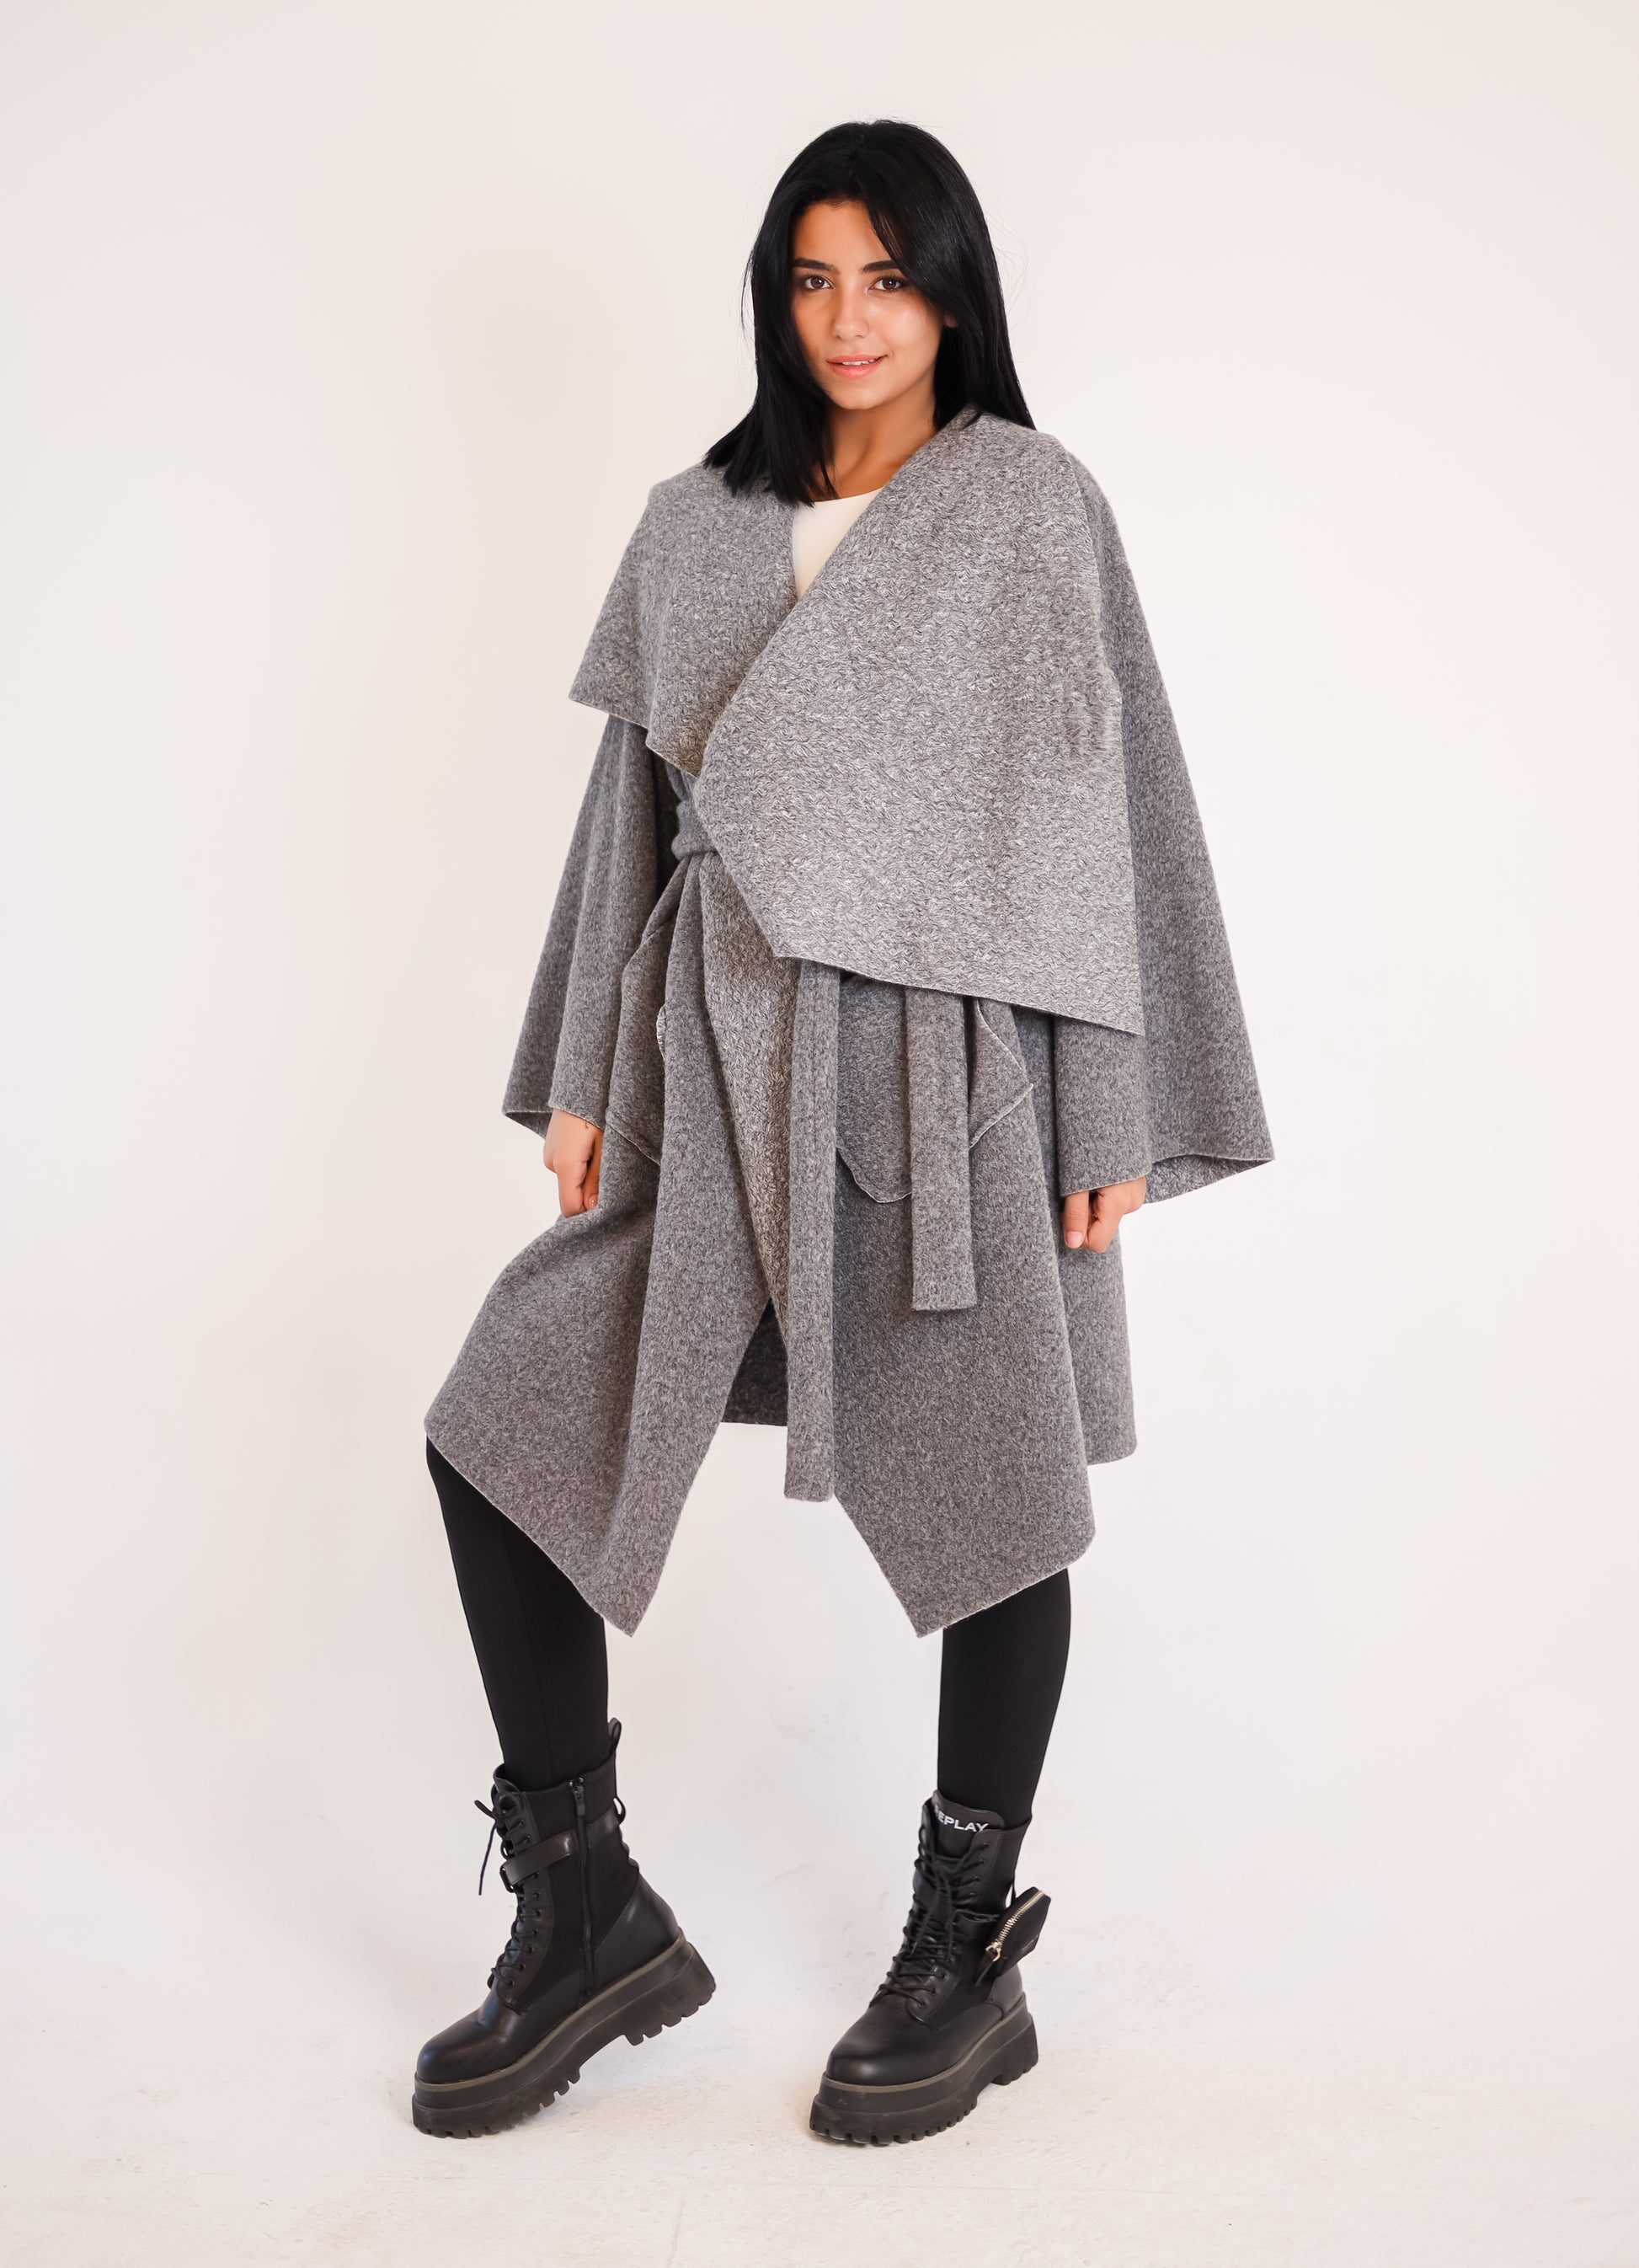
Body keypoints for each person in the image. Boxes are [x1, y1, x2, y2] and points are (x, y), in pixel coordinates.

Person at [414, 118, 1273, 2146]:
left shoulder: (1027, 506)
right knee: (495, 1426)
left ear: (952, 292)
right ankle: (584, 1907)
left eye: (886, 277)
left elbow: (1103, 807)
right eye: (812, 279)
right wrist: (581, 1076)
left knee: (994, 1492)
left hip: (941, 1075)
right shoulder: (695, 521)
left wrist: (1109, 1096)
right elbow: (626, 820)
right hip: (712, 1064)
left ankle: (966, 1950)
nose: (849, 318)